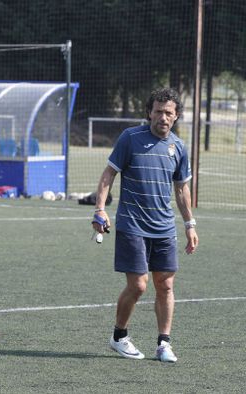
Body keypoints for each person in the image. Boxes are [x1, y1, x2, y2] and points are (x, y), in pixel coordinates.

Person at [92, 88, 198, 363]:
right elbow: (109, 174)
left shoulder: (178, 146)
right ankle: (119, 337)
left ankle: (164, 344)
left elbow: (182, 189)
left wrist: (190, 223)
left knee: (165, 285)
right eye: (158, 111)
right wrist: (100, 209)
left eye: (169, 113)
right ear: (149, 112)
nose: (163, 117)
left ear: (175, 117)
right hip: (132, 224)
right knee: (139, 286)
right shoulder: (130, 138)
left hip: (164, 227)